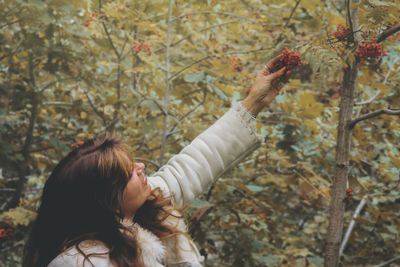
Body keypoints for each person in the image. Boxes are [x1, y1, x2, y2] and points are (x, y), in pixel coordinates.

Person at [22, 53, 291, 267]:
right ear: (106, 200)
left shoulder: (143, 210)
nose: (140, 168)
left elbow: (198, 160)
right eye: (129, 172)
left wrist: (253, 103)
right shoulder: (79, 263)